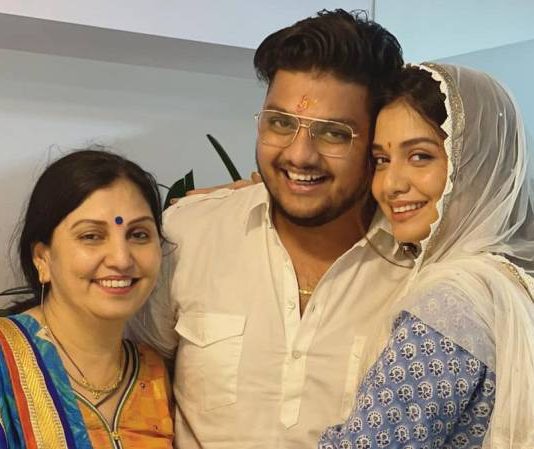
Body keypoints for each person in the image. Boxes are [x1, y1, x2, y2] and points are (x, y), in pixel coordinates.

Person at [129, 9, 410, 449]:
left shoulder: (419, 270)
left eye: (334, 134)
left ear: (377, 143)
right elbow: (129, 381)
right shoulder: (188, 235)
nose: (299, 155)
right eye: (280, 123)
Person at [318, 63, 534, 447]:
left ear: (475, 164)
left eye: (420, 156)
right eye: (381, 160)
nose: (390, 184)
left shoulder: (451, 302)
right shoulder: (513, 284)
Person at [0, 149, 174, 448]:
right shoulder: (5, 362)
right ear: (42, 258)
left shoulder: (152, 372)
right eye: (91, 236)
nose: (121, 259)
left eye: (138, 234)